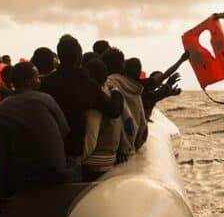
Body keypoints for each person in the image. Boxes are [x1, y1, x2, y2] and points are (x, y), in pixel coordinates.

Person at [0, 62, 78, 201]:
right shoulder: (46, 99)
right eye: (37, 77)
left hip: (22, 177)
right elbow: (64, 131)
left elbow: (1, 153)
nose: (39, 80)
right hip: (55, 173)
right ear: (28, 81)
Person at [40, 34, 124, 169]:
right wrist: (116, 92)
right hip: (72, 151)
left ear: (59, 57)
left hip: (49, 148)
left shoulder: (46, 83)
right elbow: (114, 110)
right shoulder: (86, 84)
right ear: (79, 57)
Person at [82, 58, 133, 178]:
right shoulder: (113, 95)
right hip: (110, 156)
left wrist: (80, 160)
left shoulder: (96, 102)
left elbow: (91, 136)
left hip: (96, 161)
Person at [108, 51, 148, 150]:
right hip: (132, 146)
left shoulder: (112, 82)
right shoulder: (137, 90)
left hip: (117, 148)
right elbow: (142, 125)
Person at [143, 52, 189, 119]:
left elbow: (158, 94)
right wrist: (169, 85)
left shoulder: (150, 93)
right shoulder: (144, 92)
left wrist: (170, 93)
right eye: (158, 79)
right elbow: (156, 95)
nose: (161, 80)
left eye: (161, 80)